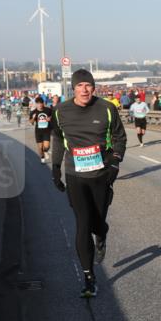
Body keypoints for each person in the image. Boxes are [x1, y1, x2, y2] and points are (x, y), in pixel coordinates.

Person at [49, 69, 127, 298]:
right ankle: (89, 278)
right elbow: (57, 139)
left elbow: (120, 138)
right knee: (83, 224)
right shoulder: (61, 111)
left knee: (97, 222)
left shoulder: (107, 109)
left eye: (88, 85)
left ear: (94, 87)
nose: (84, 89)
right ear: (73, 88)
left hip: (101, 175)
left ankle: (101, 232)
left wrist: (114, 163)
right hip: (76, 176)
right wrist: (55, 168)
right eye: (80, 85)